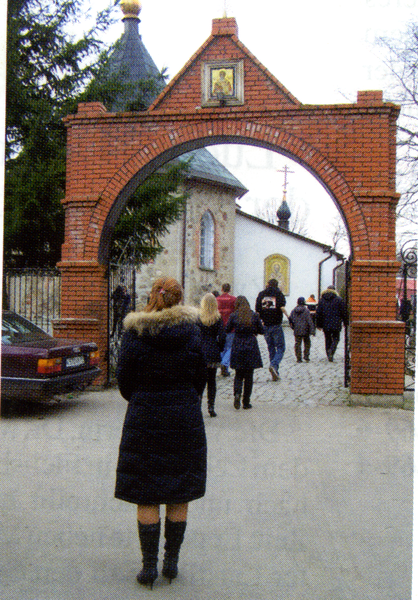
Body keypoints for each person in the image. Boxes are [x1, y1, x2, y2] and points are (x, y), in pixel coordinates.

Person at [115, 276, 207, 588]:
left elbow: (124, 381)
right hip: (184, 418)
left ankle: (148, 567)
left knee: (147, 490)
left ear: (154, 296)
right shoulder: (193, 332)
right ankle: (171, 562)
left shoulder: (134, 332)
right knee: (179, 490)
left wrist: (142, 398)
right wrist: (186, 399)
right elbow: (200, 378)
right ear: (179, 299)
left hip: (144, 418)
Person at [226, 295, 264, 410]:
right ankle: (246, 401)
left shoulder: (234, 315)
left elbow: (227, 329)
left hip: (238, 344)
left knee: (238, 374)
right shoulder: (253, 315)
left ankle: (237, 393)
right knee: (249, 376)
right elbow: (261, 330)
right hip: (250, 345)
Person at [198, 293, 226, 417]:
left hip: (200, 350)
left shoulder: (198, 317)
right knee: (212, 381)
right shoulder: (217, 318)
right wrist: (219, 347)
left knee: (200, 381)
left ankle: (198, 405)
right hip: (212, 349)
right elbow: (222, 336)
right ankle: (211, 406)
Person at [255, 278, 289, 381]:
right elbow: (282, 306)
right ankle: (274, 365)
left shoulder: (262, 294)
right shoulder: (279, 294)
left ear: (268, 284)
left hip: (265, 324)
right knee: (281, 347)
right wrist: (289, 317)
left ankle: (275, 371)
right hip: (276, 325)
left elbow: (258, 310)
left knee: (271, 348)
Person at [315, 285, 348, 362]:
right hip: (336, 323)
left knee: (327, 339)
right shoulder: (339, 300)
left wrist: (318, 324)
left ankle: (328, 353)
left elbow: (318, 313)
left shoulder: (322, 300)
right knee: (336, 338)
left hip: (325, 323)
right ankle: (332, 351)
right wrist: (345, 322)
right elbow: (344, 312)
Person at [216, 283, 237, 377]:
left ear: (222, 289)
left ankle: (222, 364)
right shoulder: (233, 299)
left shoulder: (217, 299)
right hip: (231, 327)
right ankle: (224, 363)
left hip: (220, 326)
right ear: (229, 289)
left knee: (222, 347)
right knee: (230, 347)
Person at [289, 297, 315, 363]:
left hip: (297, 329)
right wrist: (312, 330)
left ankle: (298, 358)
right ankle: (306, 356)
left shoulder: (294, 310)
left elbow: (290, 319)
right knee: (307, 343)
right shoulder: (306, 310)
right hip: (306, 330)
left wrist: (293, 327)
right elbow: (309, 321)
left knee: (297, 343)